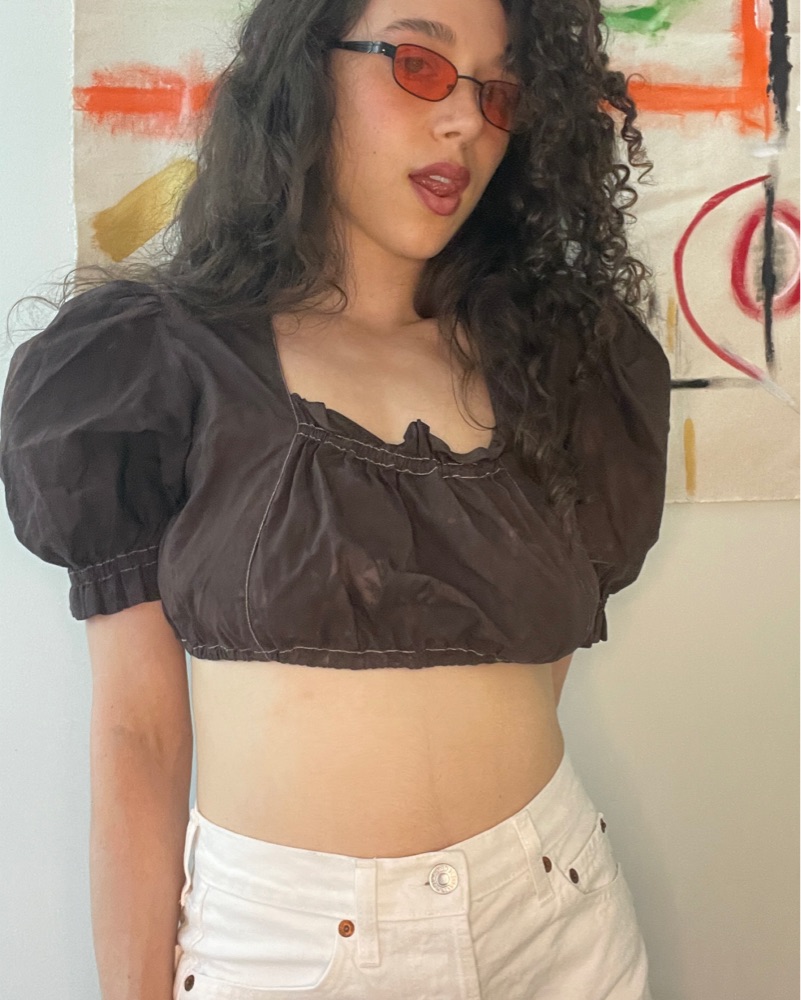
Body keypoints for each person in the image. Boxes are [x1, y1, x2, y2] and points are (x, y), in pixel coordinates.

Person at [0, 0, 672, 996]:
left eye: (499, 89)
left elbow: (533, 676)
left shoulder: (563, 368)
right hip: (286, 950)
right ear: (306, 72)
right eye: (418, 65)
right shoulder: (159, 360)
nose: (467, 120)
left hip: (556, 924)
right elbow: (138, 736)